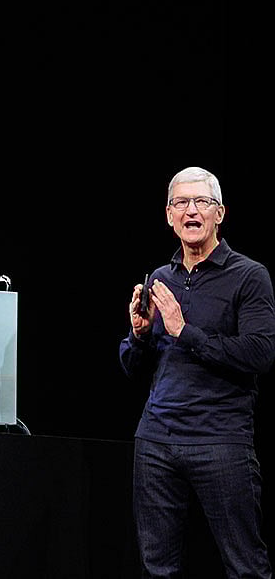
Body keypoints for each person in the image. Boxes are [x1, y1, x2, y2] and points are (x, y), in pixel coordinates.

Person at [120, 166, 275, 577]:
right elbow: (135, 368)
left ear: (219, 213)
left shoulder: (249, 276)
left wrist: (184, 331)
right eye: (181, 202)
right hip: (156, 441)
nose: (191, 210)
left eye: (201, 202)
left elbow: (259, 353)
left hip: (220, 440)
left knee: (245, 567)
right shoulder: (160, 279)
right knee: (157, 569)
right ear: (169, 215)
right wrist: (139, 335)